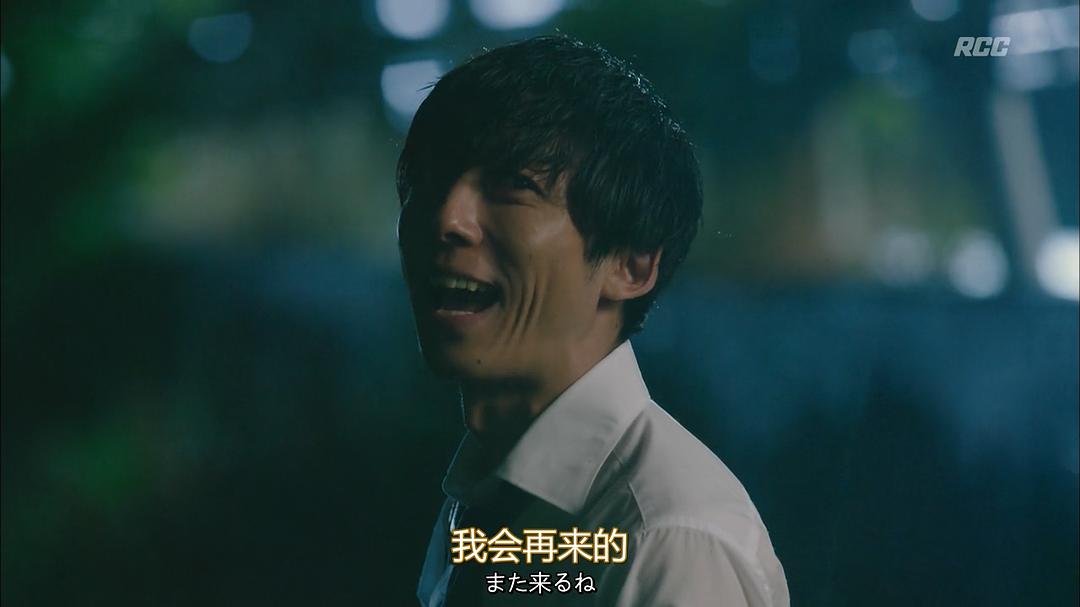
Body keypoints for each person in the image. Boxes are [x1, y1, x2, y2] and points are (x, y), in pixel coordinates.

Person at [397, 35, 788, 607]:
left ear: (632, 265)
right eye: (428, 181)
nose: (446, 220)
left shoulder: (666, 540)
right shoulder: (488, 492)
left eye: (513, 186)